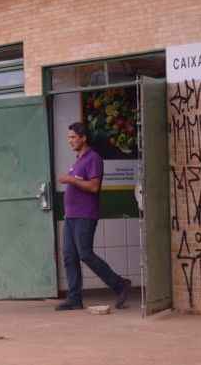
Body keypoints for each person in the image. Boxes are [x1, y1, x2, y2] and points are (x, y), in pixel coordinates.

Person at [56, 122, 132, 311]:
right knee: (69, 256)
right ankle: (74, 299)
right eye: (69, 137)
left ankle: (120, 284)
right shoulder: (78, 160)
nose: (70, 141)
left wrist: (69, 179)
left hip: (85, 215)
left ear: (84, 138)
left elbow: (94, 187)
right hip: (71, 216)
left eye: (73, 137)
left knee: (85, 254)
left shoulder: (93, 158)